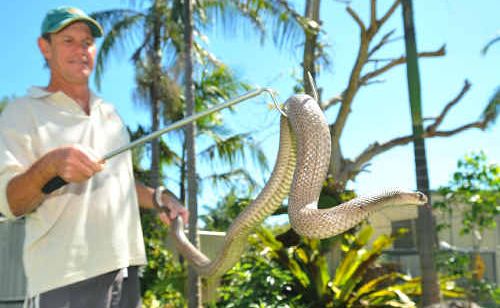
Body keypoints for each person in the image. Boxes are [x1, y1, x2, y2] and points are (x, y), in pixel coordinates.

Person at [0, 6, 188, 308]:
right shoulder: (22, 112)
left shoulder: (110, 115)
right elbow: (11, 203)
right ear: (44, 47)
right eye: (68, 41)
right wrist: (50, 166)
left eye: (86, 41)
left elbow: (121, 184)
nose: (80, 50)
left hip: (125, 270)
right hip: (63, 279)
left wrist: (159, 199)